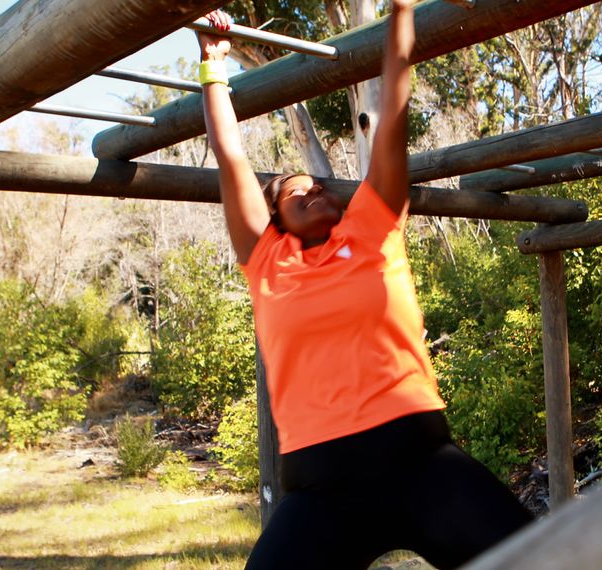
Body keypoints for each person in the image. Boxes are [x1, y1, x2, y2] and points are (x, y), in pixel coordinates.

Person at [196, 3, 533, 568]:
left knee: (546, 557)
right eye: (292, 192)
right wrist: (213, 65)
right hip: (320, 489)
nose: (312, 190)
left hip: (421, 461)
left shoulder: (374, 224)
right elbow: (230, 156)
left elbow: (393, 107)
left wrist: (400, 9)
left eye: (319, 184)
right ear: (273, 218)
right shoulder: (266, 259)